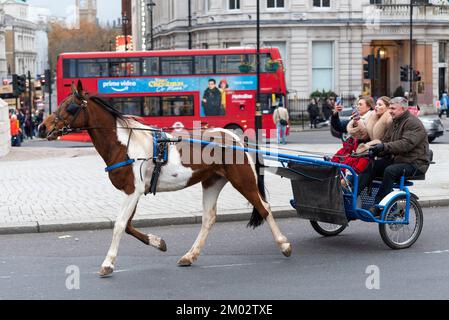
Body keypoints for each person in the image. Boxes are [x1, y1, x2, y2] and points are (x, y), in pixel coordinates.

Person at [357, 97, 430, 216]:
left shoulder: (413, 123)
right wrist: (375, 150)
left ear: (403, 109)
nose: (390, 111)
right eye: (389, 108)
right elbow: (386, 141)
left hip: (416, 163)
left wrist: (384, 147)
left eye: (393, 108)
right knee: (373, 165)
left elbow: (406, 144)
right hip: (400, 160)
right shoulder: (396, 122)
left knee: (390, 171)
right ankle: (354, 194)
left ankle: (379, 206)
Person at [331, 96, 375, 176]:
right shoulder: (354, 118)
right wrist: (335, 113)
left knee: (344, 168)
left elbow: (365, 134)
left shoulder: (372, 119)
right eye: (357, 104)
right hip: (351, 151)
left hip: (362, 153)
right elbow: (339, 126)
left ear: (368, 107)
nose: (358, 106)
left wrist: (357, 123)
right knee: (334, 164)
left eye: (360, 104)